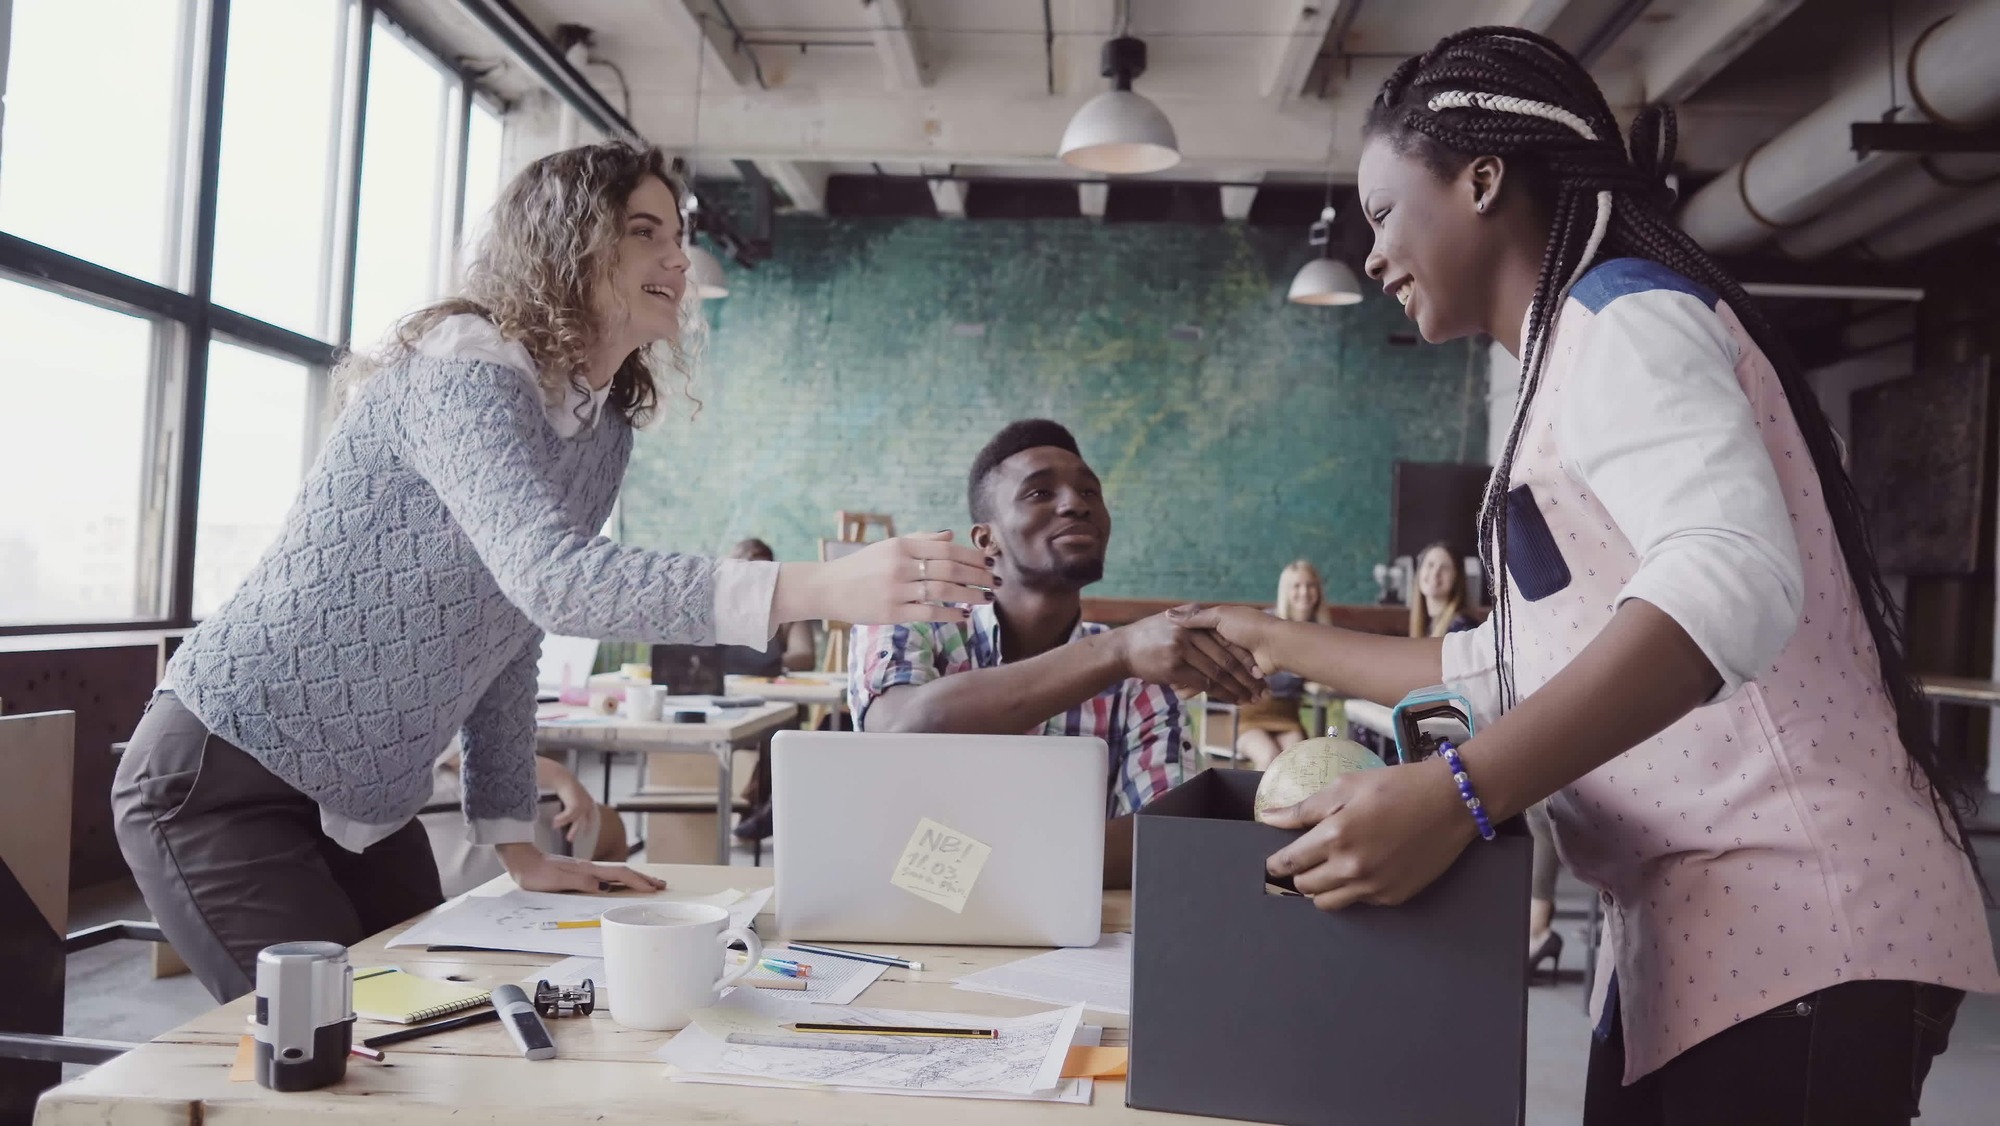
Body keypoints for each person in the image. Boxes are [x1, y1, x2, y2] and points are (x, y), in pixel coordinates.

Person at [1174, 28, 1996, 1124]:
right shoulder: (1557, 361)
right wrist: (1275, 641)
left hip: (1799, 923)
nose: (1371, 256)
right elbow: (1512, 665)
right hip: (1690, 939)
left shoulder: (1622, 320)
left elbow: (1729, 577)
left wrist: (1462, 792)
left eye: (1380, 211)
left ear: (1480, 179)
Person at [111, 141, 993, 1003]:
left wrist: (518, 847)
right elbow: (552, 580)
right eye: (644, 230)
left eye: (677, 235)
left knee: (434, 1036)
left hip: (365, 805)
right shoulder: (463, 362)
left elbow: (508, 634)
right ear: (567, 240)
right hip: (222, 775)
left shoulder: (601, 432)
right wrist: (819, 587)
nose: (676, 255)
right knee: (336, 1055)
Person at [849, 419, 1264, 824]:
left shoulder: (1141, 677)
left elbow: (1164, 834)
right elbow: (896, 730)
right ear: (985, 540)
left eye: (1089, 491)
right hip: (904, 895)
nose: (1075, 504)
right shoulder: (914, 615)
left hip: (1076, 897)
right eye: (1040, 492)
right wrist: (1117, 651)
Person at [420, 743, 628, 899]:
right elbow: (480, 758)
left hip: (418, 870)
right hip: (496, 853)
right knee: (612, 825)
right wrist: (562, 778)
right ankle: (603, 917)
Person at [725, 536, 817, 843]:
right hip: (728, 703)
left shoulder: (789, 609)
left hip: (775, 704)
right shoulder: (721, 607)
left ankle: (760, 809)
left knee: (776, 728)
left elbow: (805, 656)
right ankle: (758, 808)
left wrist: (764, 662)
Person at [1233, 560, 1329, 769]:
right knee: (1269, 758)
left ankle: (1287, 803)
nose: (1304, 592)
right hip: (1252, 717)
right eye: (1296, 586)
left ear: (1318, 590)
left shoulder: (1321, 632)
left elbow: (1329, 675)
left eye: (1310, 585)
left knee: (1296, 762)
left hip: (1288, 717)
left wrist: (1317, 681)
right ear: (1285, 591)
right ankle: (1258, 803)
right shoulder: (1267, 623)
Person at [1408, 542, 1475, 637]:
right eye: (1430, 565)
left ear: (1457, 577)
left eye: (1445, 567)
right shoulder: (1426, 623)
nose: (1435, 573)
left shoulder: (1464, 629)